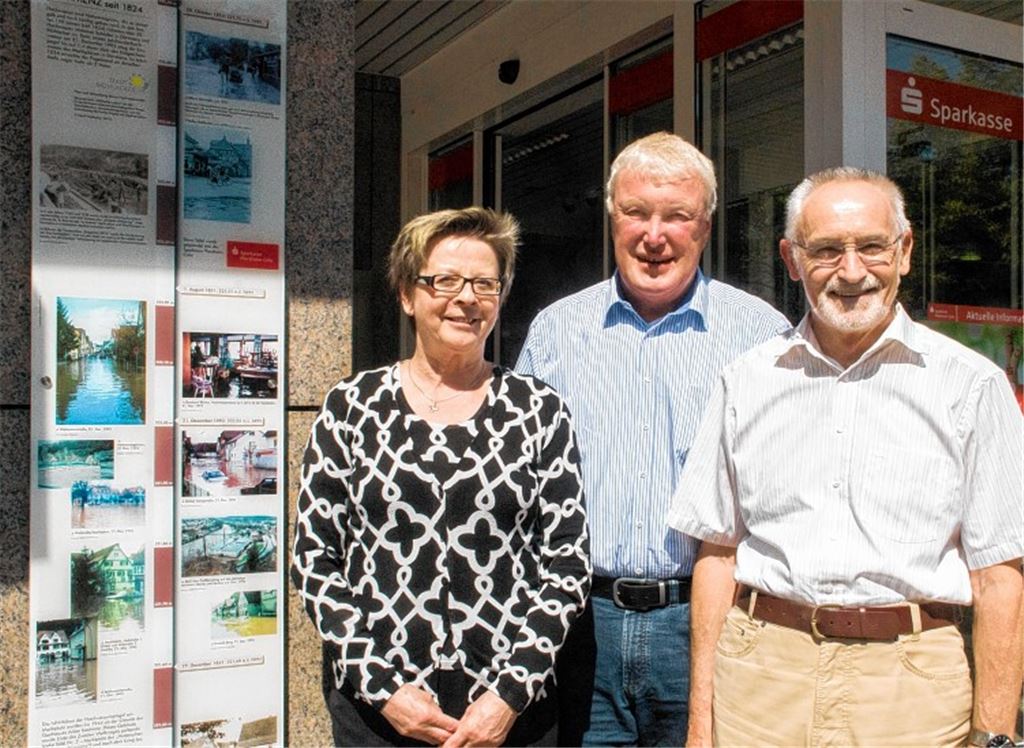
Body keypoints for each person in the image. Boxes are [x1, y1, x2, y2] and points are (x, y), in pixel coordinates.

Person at [670, 167, 1024, 747]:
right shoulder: (745, 381)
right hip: (760, 677)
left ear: (904, 251)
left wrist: (997, 737)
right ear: (791, 260)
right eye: (827, 250)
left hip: (910, 688)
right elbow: (717, 554)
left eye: (872, 247)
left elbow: (999, 578)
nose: (852, 271)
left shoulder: (972, 387)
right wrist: (700, 726)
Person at [516, 132, 790, 746]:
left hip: (710, 621)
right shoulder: (556, 332)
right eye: (636, 212)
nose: (654, 234)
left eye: (677, 216)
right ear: (613, 218)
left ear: (706, 228)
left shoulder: (762, 336)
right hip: (580, 623)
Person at [292, 207, 591, 747]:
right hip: (380, 715)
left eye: (484, 283)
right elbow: (314, 561)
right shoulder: (353, 408)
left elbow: (567, 564)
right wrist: (383, 689)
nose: (466, 298)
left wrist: (510, 695)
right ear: (408, 294)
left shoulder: (540, 411)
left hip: (510, 718)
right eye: (445, 281)